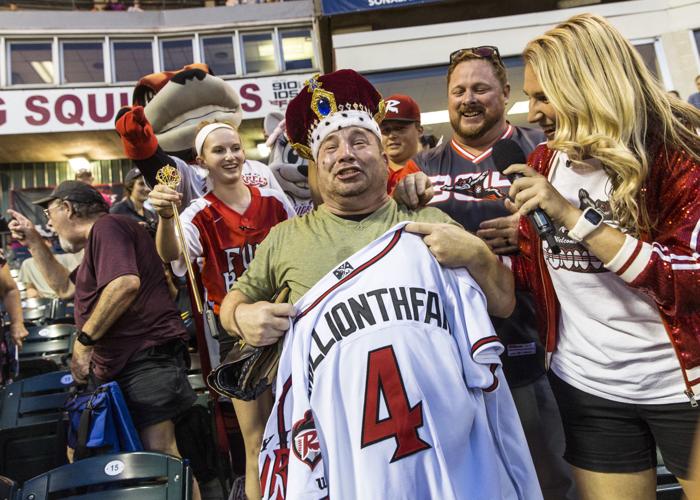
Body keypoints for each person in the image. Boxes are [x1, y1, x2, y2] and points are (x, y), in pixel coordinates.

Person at [219, 69, 539, 499]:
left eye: (359, 141)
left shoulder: (427, 220)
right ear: (315, 163)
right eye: (329, 147)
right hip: (344, 446)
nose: (345, 155)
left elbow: (501, 304)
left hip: (444, 434)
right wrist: (242, 316)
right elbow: (231, 304)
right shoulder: (285, 238)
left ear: (382, 151)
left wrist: (479, 255)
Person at [501, 13, 700, 499]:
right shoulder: (544, 161)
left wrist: (573, 217)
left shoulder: (677, 155)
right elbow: (543, 276)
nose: (532, 113)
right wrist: (508, 245)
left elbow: (687, 282)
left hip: (683, 386)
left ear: (588, 86)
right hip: (589, 385)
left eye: (544, 96)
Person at [398, 45, 574, 500]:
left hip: (542, 344)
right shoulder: (423, 168)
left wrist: (534, 231)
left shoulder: (545, 150)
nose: (468, 99)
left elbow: (588, 230)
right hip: (455, 356)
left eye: (480, 88)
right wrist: (399, 191)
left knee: (552, 476)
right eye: (458, 90)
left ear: (506, 93)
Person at [7, 181, 201, 499]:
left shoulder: (108, 227)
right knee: (145, 463)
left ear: (67, 208)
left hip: (144, 359)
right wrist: (34, 242)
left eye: (49, 211)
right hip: (127, 363)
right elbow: (65, 288)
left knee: (159, 461)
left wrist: (84, 341)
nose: (48, 221)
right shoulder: (101, 240)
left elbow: (124, 283)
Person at [150, 120, 294, 500]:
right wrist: (166, 218)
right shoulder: (196, 213)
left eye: (235, 147)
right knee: (256, 439)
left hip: (288, 327)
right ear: (201, 161)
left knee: (301, 424)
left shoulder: (276, 203)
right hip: (236, 340)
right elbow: (170, 254)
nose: (230, 156)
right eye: (219, 150)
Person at [19, 231, 82, 299]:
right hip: (44, 300)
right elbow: (29, 286)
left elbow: (76, 282)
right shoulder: (27, 264)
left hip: (69, 297)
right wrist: (31, 291)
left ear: (49, 243)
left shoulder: (68, 257)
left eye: (41, 243)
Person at [380, 94, 423, 194]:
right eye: (386, 130)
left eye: (399, 128)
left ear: (419, 130)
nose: (392, 135)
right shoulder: (372, 175)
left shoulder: (433, 169)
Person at [110, 167, 157, 234]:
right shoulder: (117, 211)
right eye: (141, 184)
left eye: (148, 184)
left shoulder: (151, 214)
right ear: (130, 186)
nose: (147, 189)